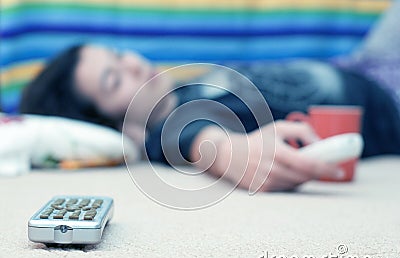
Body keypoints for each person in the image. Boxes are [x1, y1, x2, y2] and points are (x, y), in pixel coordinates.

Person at [20, 1, 400, 192]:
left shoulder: (191, 87)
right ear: (113, 125)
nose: (132, 64)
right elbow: (190, 136)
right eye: (112, 81)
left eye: (118, 56)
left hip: (365, 62)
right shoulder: (163, 133)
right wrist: (228, 149)